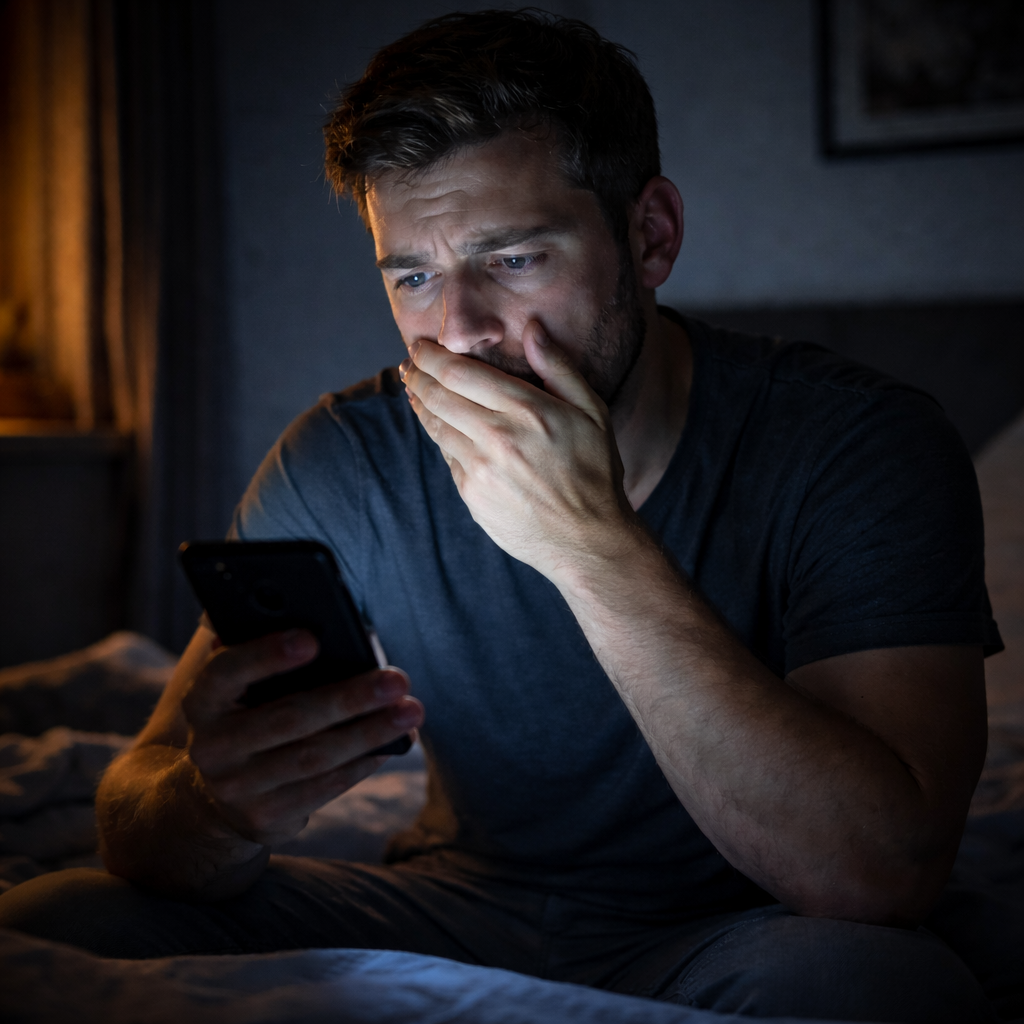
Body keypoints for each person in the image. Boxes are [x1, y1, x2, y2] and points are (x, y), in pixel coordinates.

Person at [0, 10, 1003, 1021]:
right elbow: (141, 805)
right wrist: (213, 809)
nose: (463, 333)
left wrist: (592, 545)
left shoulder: (854, 443)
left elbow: (878, 876)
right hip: (456, 898)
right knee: (67, 913)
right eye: (415, 277)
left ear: (649, 234)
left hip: (739, 929)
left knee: (875, 985)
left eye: (515, 259)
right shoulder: (347, 457)